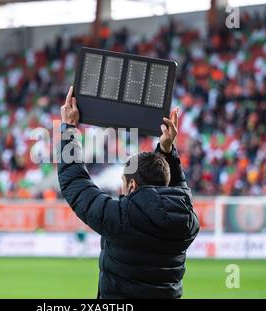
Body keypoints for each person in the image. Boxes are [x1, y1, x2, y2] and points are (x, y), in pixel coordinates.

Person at [57, 86, 200, 299]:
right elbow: (178, 187)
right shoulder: (186, 219)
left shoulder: (120, 217)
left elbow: (75, 182)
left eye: (123, 182)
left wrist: (68, 128)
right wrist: (167, 150)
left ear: (132, 186)